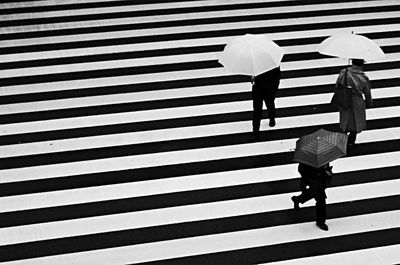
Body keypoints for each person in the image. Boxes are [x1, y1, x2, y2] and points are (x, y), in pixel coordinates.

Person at [335, 58, 373, 146]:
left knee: (345, 119)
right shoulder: (363, 77)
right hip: (357, 100)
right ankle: (351, 142)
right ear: (362, 64)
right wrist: (369, 103)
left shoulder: (344, 73)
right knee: (356, 121)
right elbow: (367, 92)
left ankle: (342, 140)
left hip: (345, 98)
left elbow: (337, 85)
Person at [291, 163, 333, 231]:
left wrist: (327, 171)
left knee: (315, 196)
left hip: (320, 182)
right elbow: (301, 170)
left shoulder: (322, 158)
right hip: (313, 182)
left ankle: (297, 199)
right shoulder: (306, 161)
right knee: (321, 200)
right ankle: (321, 222)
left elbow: (327, 170)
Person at [251, 66, 281, 140]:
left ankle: (256, 133)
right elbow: (278, 78)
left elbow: (277, 78)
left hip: (262, 90)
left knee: (258, 111)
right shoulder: (274, 63)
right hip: (266, 90)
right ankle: (256, 132)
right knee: (267, 107)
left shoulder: (256, 63)